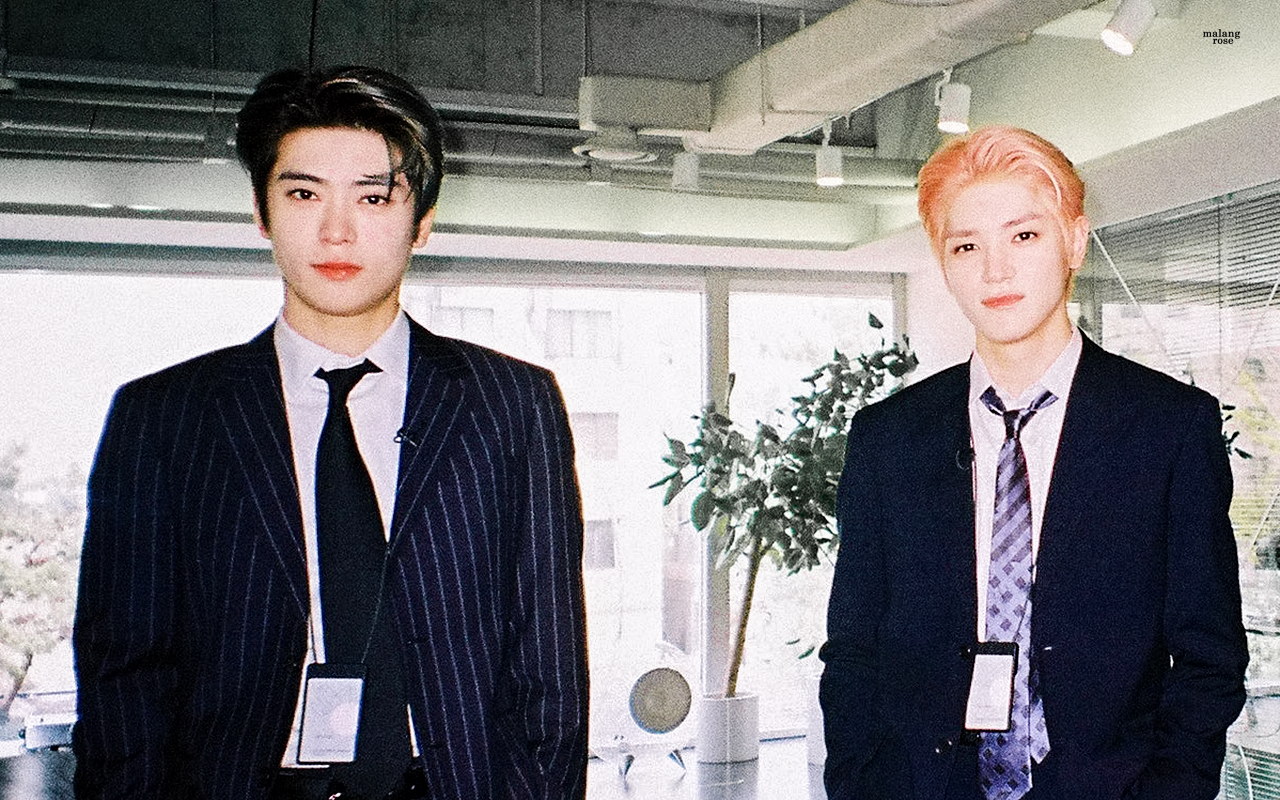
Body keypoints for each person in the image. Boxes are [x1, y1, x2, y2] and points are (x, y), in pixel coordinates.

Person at [72, 65, 589, 800]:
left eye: (373, 197)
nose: (336, 230)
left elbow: (550, 666)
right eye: (304, 194)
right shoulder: (164, 417)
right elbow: (123, 680)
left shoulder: (512, 404)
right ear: (261, 212)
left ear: (423, 221)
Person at [819, 126, 1247, 800]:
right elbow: (853, 650)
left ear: (1074, 241)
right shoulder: (888, 440)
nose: (996, 271)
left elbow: (1208, 656)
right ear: (943, 262)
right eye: (967, 246)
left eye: (1023, 236)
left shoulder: (1169, 429)